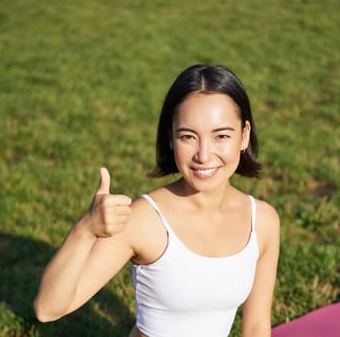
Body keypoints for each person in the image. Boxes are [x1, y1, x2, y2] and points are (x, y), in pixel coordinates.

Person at [33, 64, 281, 337]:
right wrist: (85, 230)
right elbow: (48, 309)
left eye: (221, 136)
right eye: (188, 136)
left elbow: (256, 327)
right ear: (171, 138)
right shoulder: (143, 221)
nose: (204, 154)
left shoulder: (263, 222)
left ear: (244, 135)